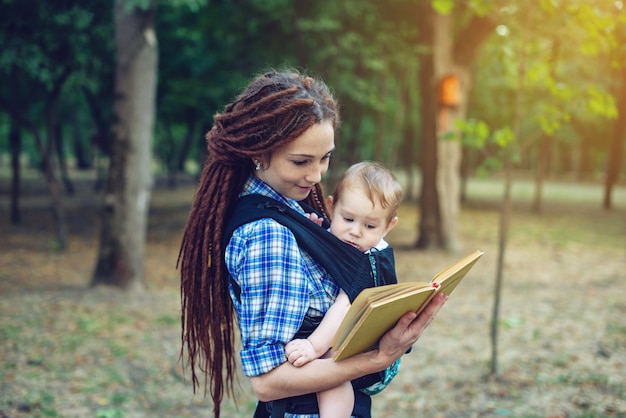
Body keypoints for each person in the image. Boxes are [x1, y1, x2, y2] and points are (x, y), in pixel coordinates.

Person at [177, 69, 448, 418]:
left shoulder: (293, 207)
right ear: (259, 153)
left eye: (325, 158)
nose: (316, 175)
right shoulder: (268, 234)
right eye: (301, 161)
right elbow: (269, 380)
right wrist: (379, 358)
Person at [285, 161, 402, 418]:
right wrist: (315, 233)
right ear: (330, 207)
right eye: (347, 219)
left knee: (329, 361)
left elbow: (345, 304)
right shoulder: (339, 237)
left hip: (370, 349)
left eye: (370, 226)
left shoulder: (372, 258)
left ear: (388, 226)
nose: (355, 232)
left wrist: (312, 346)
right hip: (351, 338)